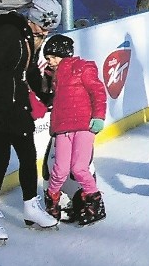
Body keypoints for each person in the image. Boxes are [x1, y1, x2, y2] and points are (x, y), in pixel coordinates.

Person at [0, 0, 63, 242]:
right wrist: (2, 106)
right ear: (35, 18)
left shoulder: (28, 36)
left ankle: (30, 208)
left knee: (28, 157)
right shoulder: (7, 34)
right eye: (44, 26)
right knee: (0, 161)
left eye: (49, 28)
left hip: (14, 107)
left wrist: (45, 95)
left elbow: (27, 70)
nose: (46, 32)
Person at [43, 34, 107, 226]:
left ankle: (95, 202)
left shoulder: (82, 68)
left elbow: (98, 92)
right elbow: (51, 100)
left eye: (54, 57)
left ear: (65, 54)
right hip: (63, 128)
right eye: (47, 58)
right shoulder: (52, 77)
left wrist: (98, 117)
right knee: (59, 170)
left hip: (84, 126)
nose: (50, 61)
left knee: (79, 168)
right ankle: (52, 199)